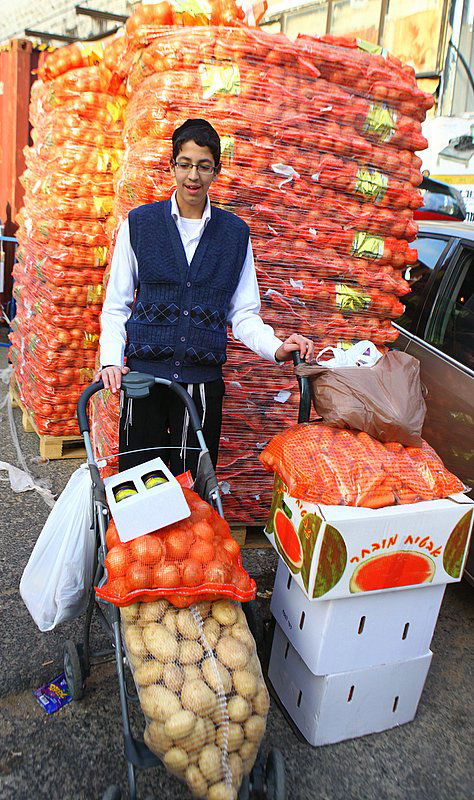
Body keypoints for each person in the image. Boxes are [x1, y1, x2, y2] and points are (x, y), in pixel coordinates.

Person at [97, 118, 314, 475]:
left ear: (216, 170)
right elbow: (116, 305)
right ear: (172, 166)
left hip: (201, 387)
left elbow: (243, 313)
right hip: (144, 383)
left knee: (194, 494)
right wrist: (110, 360)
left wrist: (275, 348)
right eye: (184, 165)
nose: (192, 177)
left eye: (203, 166)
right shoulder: (140, 225)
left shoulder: (234, 235)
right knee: (139, 486)